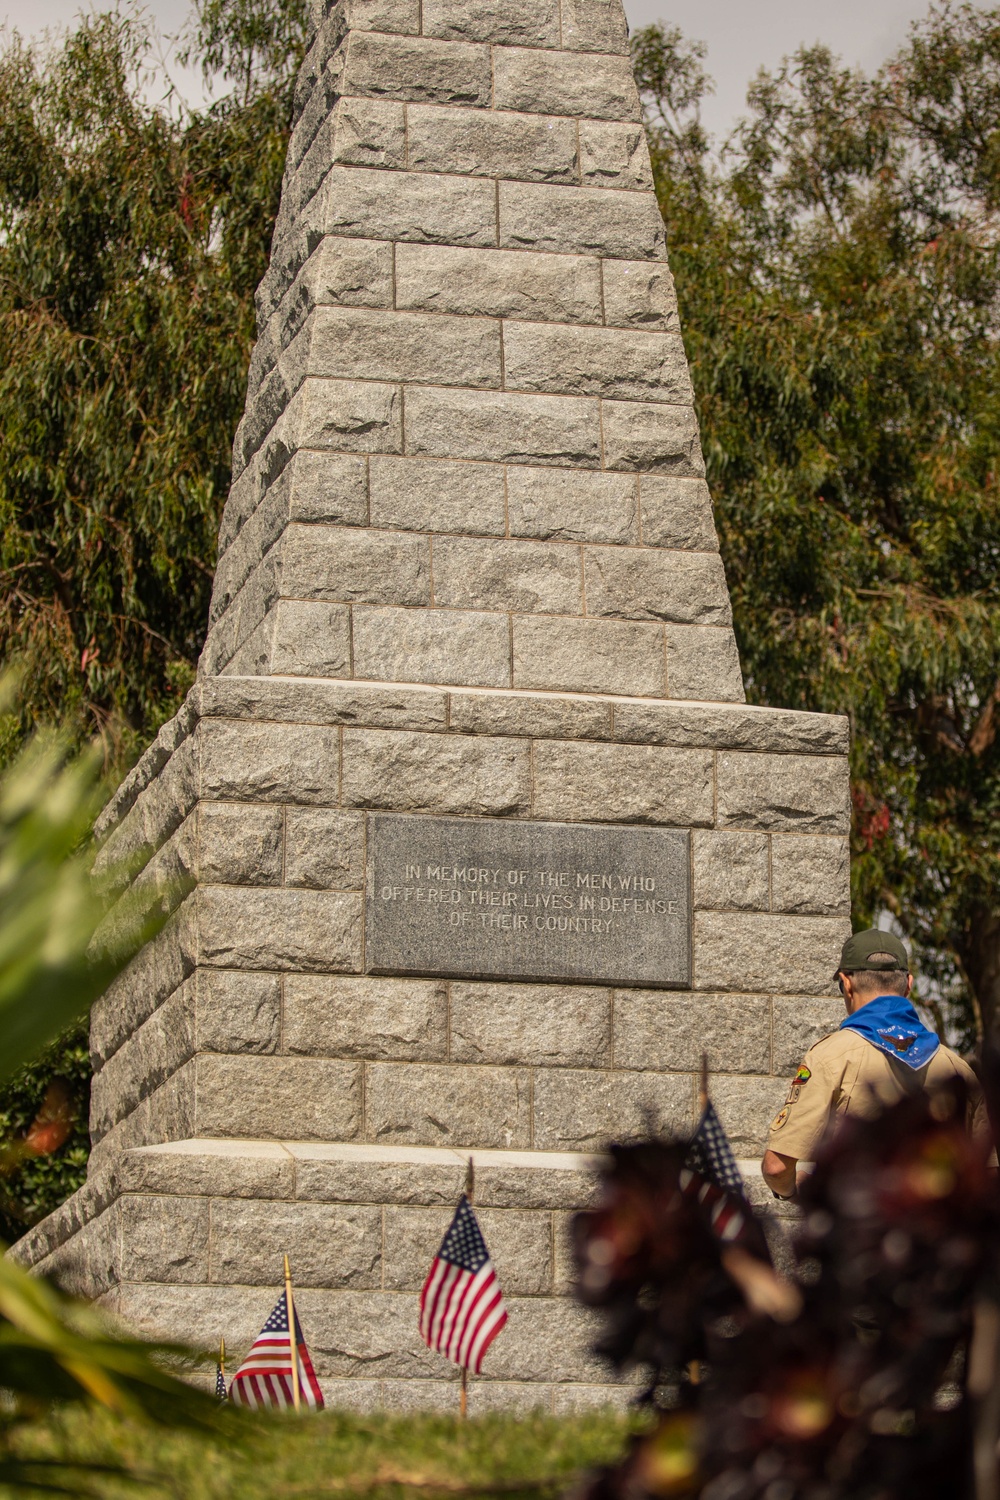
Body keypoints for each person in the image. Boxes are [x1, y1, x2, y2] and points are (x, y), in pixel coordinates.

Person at [761, 927, 987, 1200]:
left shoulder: (830, 1057)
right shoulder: (958, 1070)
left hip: (860, 1235)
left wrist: (792, 1190)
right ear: (909, 984)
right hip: (940, 1236)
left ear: (846, 983)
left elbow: (776, 1168)